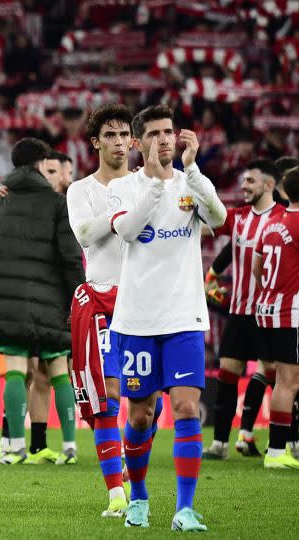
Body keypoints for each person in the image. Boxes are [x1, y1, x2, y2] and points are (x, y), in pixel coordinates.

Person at [107, 105, 225, 531]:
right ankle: (138, 496)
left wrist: (192, 173)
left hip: (184, 317)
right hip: (137, 321)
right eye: (154, 133)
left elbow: (219, 217)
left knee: (187, 406)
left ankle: (185, 509)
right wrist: (157, 186)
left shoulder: (192, 183)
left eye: (169, 131)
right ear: (138, 143)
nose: (164, 139)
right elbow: (126, 230)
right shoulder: (123, 187)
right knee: (140, 416)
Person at [67, 104, 162, 517]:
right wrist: (125, 216)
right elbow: (85, 233)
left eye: (125, 135)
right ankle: (115, 493)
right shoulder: (79, 190)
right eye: (110, 135)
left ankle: (133, 464)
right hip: (100, 297)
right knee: (106, 396)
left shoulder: (149, 184)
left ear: (134, 141)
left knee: (146, 405)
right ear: (95, 142)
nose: (119, 142)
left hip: (142, 298)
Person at [0, 137, 84, 466]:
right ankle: (70, 447)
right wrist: (77, 297)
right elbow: (70, 258)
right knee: (59, 368)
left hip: (7, 302)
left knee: (17, 371)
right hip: (49, 300)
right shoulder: (55, 203)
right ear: (39, 164)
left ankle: (15, 447)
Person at [202, 160, 284, 460]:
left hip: (271, 313)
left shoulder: (284, 219)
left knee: (279, 377)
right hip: (239, 311)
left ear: (269, 185)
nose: (244, 186)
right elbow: (207, 227)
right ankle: (220, 444)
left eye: (250, 181)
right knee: (227, 373)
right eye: (243, 181)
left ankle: (283, 443)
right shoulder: (237, 217)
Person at [253, 166, 299, 469]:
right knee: (288, 382)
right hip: (289, 313)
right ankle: (277, 451)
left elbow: (257, 268)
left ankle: (282, 445)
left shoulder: (271, 223)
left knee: (281, 379)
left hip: (266, 309)